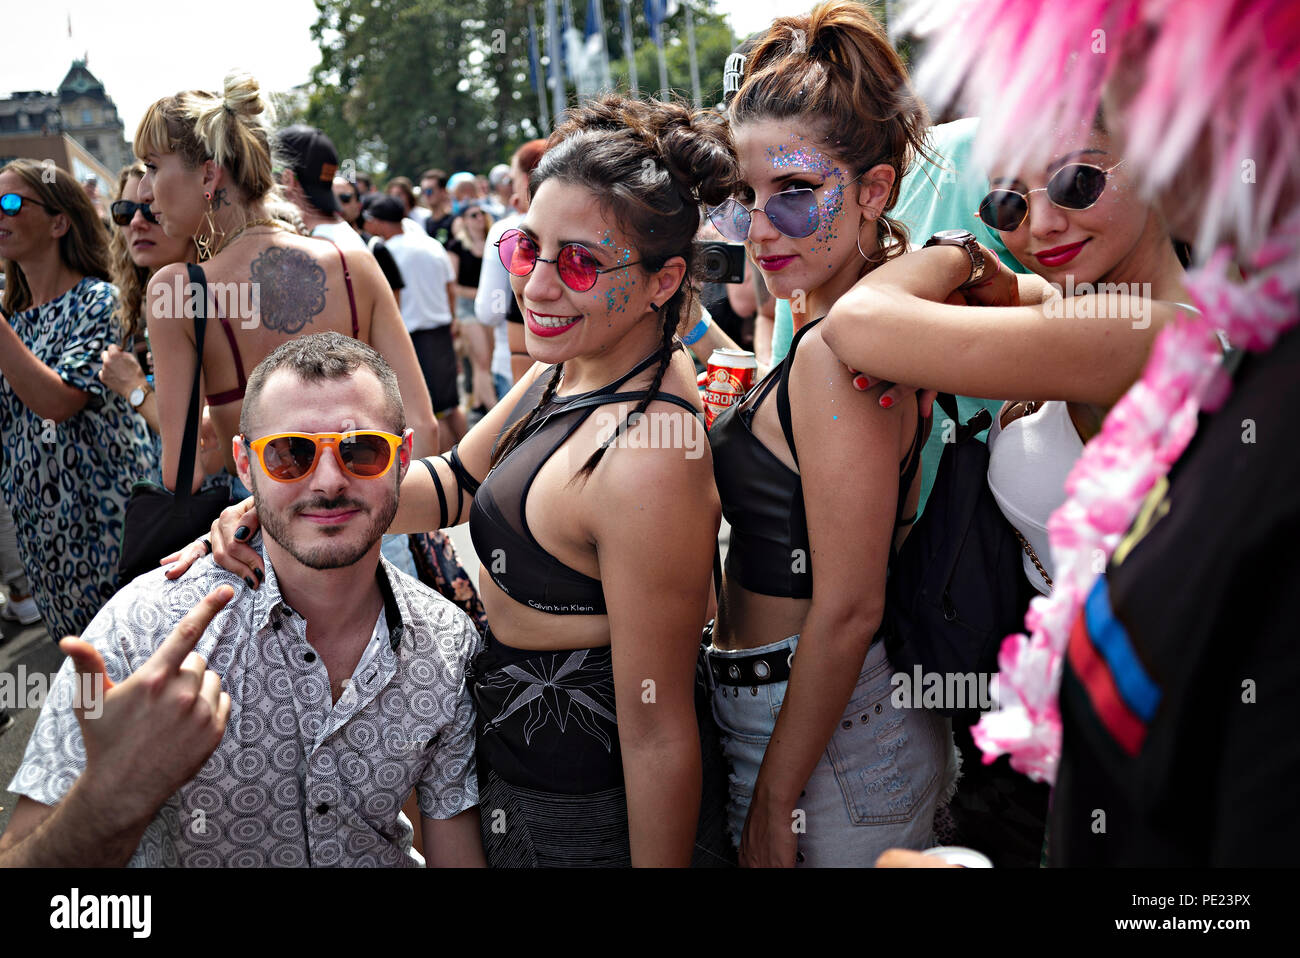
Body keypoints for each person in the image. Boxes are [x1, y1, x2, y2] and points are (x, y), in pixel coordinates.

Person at [178, 93, 738, 868]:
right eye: (525, 247)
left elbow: (659, 732)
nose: (535, 287)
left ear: (662, 280)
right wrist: (284, 500)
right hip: (524, 780)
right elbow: (448, 484)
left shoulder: (645, 459)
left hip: (589, 817)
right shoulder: (579, 368)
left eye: (579, 263)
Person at [877, 0, 1299, 868]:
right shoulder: (1063, 317)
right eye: (1006, 201)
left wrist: (960, 251)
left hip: (1154, 764)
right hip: (1051, 756)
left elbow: (861, 324)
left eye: (1076, 182)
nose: (1042, 225)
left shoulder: (1158, 333)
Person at [0, 334, 486, 867]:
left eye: (360, 450)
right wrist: (111, 795)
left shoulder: (444, 641)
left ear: (402, 458)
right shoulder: (145, 629)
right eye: (289, 454)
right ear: (244, 464)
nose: (327, 481)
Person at [704, 0, 956, 867]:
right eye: (744, 198)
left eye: (798, 195)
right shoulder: (844, 319)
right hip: (822, 726)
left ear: (874, 191)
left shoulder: (837, 349)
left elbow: (849, 607)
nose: (763, 228)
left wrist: (776, 802)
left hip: (827, 745)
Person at [132, 70, 439, 508]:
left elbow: (182, 472)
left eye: (152, 167)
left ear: (208, 177)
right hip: (379, 523)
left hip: (266, 545)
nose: (145, 191)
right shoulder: (354, 265)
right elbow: (424, 429)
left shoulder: (177, 292)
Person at [0, 159, 156, 640]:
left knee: (134, 664)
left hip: (105, 526)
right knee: (86, 682)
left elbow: (57, 401)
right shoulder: (12, 315)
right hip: (40, 534)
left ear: (59, 221)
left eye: (9, 202)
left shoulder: (99, 301)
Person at [364, 195, 467, 452]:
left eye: (371, 221)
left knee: (430, 412)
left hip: (413, 337)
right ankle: (478, 462)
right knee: (450, 406)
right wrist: (453, 320)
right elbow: (449, 288)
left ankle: (443, 470)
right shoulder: (431, 244)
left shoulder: (385, 251)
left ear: (381, 223)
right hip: (441, 331)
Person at [475, 139, 548, 401]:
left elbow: (489, 312)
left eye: (513, 176)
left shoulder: (507, 229)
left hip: (517, 364)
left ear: (528, 177)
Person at [446, 199, 497, 411]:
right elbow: (452, 285)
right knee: (483, 359)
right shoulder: (456, 246)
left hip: (490, 306)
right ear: (464, 221)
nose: (479, 218)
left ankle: (477, 402)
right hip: (467, 308)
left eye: (481, 214)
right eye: (473, 215)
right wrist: (478, 293)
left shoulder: (492, 242)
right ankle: (496, 410)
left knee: (483, 360)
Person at [419, 169, 454, 244]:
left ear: (443, 191)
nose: (426, 195)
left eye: (429, 190)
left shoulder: (455, 222)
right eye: (423, 191)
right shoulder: (423, 222)